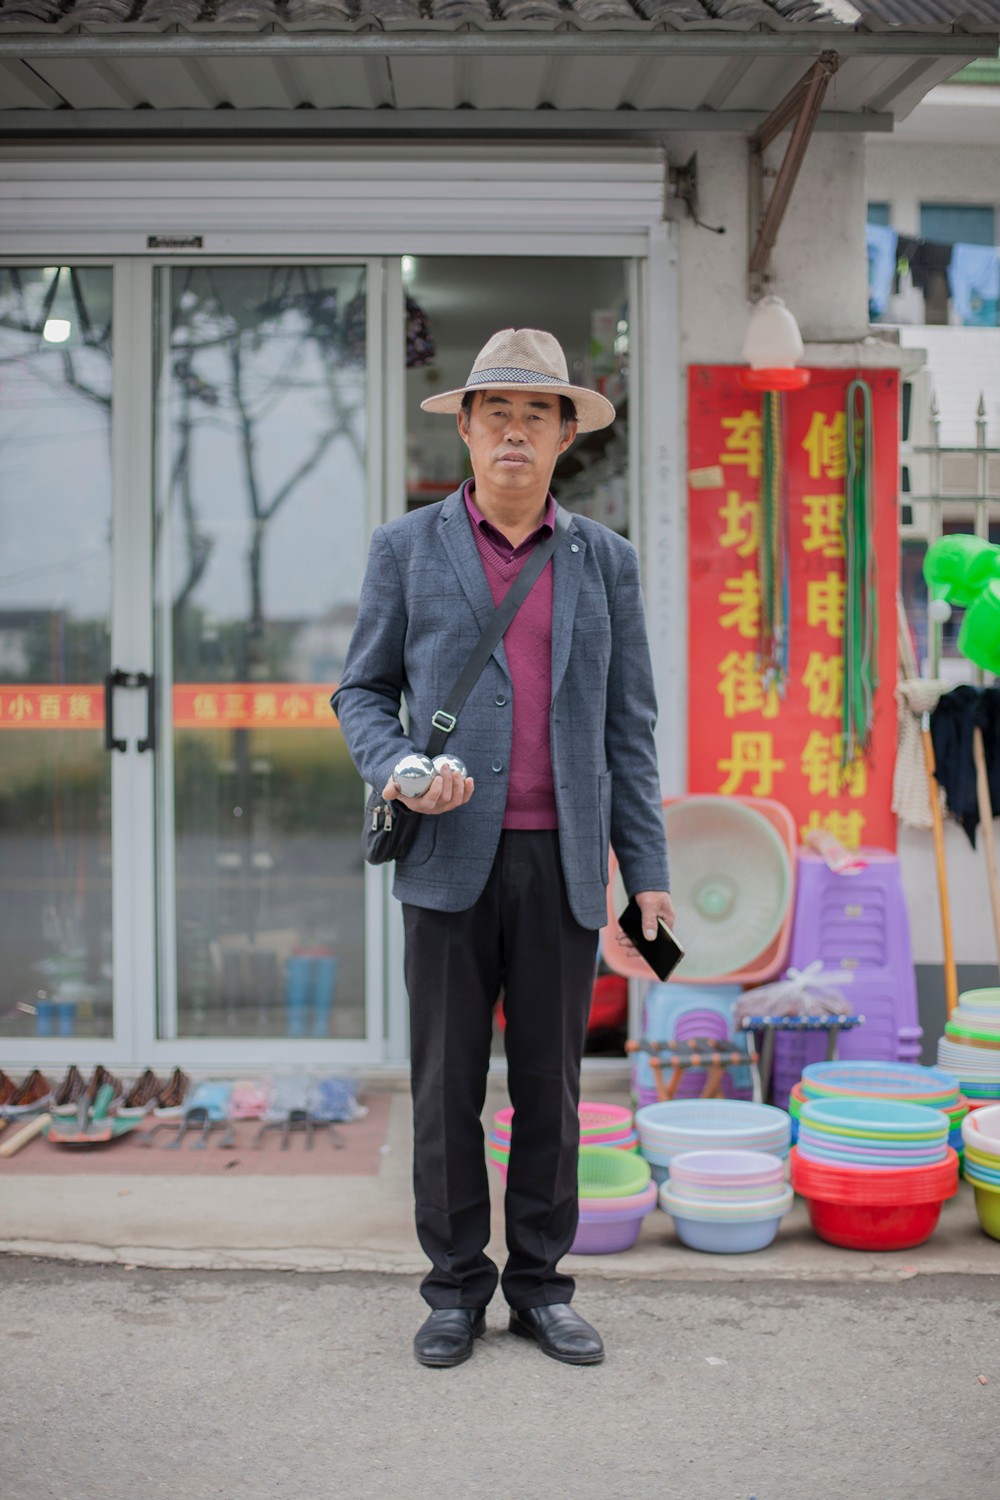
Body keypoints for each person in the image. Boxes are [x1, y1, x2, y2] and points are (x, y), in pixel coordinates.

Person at [332, 328, 672, 1369]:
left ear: (566, 434)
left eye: (536, 415)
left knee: (551, 1090)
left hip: (563, 864)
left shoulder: (605, 561)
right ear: (468, 430)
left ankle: (539, 1287)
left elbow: (628, 728)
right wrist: (399, 766)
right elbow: (360, 691)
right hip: (444, 856)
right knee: (445, 1087)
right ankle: (452, 1290)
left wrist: (647, 874)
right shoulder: (405, 547)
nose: (515, 432)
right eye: (497, 414)